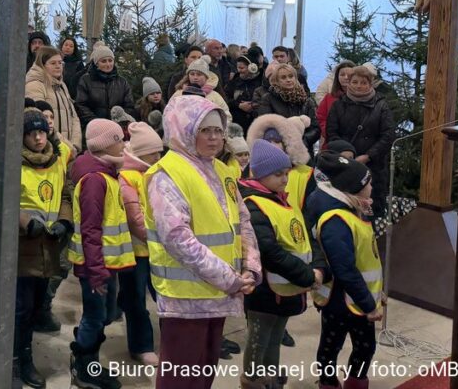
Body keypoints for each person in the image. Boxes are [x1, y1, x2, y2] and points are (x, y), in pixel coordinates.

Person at [145, 95, 261, 389]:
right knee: (179, 377)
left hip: (220, 292)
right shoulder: (167, 175)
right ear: (183, 130)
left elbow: (243, 220)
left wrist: (251, 267)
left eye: (218, 130)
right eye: (204, 130)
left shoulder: (221, 170)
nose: (214, 138)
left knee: (204, 371)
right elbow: (178, 239)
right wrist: (229, 279)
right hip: (186, 299)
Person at [240, 141, 327, 389]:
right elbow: (270, 252)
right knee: (259, 340)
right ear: (260, 174)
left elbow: (306, 238)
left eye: (287, 173)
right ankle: (253, 381)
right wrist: (307, 276)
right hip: (264, 291)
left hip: (287, 289)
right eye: (278, 174)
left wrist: (318, 268)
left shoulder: (283, 201)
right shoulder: (253, 205)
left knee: (275, 337)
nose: (285, 179)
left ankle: (271, 379)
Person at [306, 153, 382, 389]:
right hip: (340, 301)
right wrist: (368, 304)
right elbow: (345, 269)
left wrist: (375, 295)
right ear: (354, 189)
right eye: (368, 184)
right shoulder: (336, 221)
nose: (372, 187)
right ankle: (328, 382)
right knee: (330, 347)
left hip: (359, 298)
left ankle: (355, 382)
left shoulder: (354, 211)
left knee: (365, 347)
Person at [10, 110, 74, 387]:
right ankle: (17, 361)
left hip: (47, 245)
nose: (38, 138)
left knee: (36, 305)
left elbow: (65, 193)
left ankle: (23, 353)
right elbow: (0, 197)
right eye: (31, 133)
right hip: (21, 246)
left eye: (41, 132)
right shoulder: (11, 162)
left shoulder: (56, 161)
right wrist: (25, 222)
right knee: (21, 308)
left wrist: (64, 220)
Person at [68, 119, 134, 389]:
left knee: (103, 316)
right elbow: (91, 230)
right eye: (119, 140)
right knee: (95, 317)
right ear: (105, 144)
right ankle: (85, 368)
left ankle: (87, 358)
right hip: (96, 266)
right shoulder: (95, 180)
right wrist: (96, 274)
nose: (124, 144)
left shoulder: (107, 174)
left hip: (106, 264)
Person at [117, 122, 163, 367]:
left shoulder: (157, 173)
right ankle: (141, 346)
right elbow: (135, 218)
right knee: (136, 300)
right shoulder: (127, 177)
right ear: (140, 153)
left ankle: (172, 341)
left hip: (158, 248)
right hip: (136, 251)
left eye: (159, 152)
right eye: (153, 152)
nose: (157, 157)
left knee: (165, 297)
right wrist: (160, 237)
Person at [325, 65, 395, 218]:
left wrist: (369, 156)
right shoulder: (338, 105)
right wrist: (345, 151)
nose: (359, 86)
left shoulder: (381, 106)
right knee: (346, 209)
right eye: (355, 82)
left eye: (363, 83)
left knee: (371, 210)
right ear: (349, 83)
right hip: (345, 164)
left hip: (374, 166)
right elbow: (332, 132)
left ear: (370, 84)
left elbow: (388, 135)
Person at [25, 46, 82, 151]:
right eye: (53, 63)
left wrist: (75, 145)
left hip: (68, 151)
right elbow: (41, 120)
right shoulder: (35, 85)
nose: (58, 66)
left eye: (60, 63)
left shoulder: (62, 86)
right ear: (42, 64)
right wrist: (66, 147)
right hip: (47, 148)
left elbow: (73, 116)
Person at [257, 64, 320, 152]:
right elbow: (265, 125)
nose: (288, 80)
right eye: (283, 77)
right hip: (278, 149)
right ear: (276, 80)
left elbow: (315, 128)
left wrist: (303, 141)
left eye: (291, 76)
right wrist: (283, 142)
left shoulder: (307, 100)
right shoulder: (268, 99)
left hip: (303, 150)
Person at [75, 45, 133, 128]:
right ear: (96, 63)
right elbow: (81, 105)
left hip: (117, 127)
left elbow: (129, 106)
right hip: (94, 127)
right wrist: (97, 123)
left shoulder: (122, 82)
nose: (108, 64)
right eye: (104, 61)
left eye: (110, 60)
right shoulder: (86, 80)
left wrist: (118, 122)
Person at [317, 61, 356, 142]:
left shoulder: (361, 97)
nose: (346, 77)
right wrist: (328, 132)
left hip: (356, 142)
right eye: (342, 75)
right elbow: (320, 117)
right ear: (337, 77)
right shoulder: (329, 97)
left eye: (349, 75)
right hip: (332, 141)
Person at [225, 55, 261, 132]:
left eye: (241, 68)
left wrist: (253, 105)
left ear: (252, 68)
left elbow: (266, 100)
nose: (239, 71)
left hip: (256, 123)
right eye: (238, 68)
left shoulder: (261, 83)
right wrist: (239, 105)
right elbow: (225, 98)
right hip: (237, 124)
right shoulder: (234, 82)